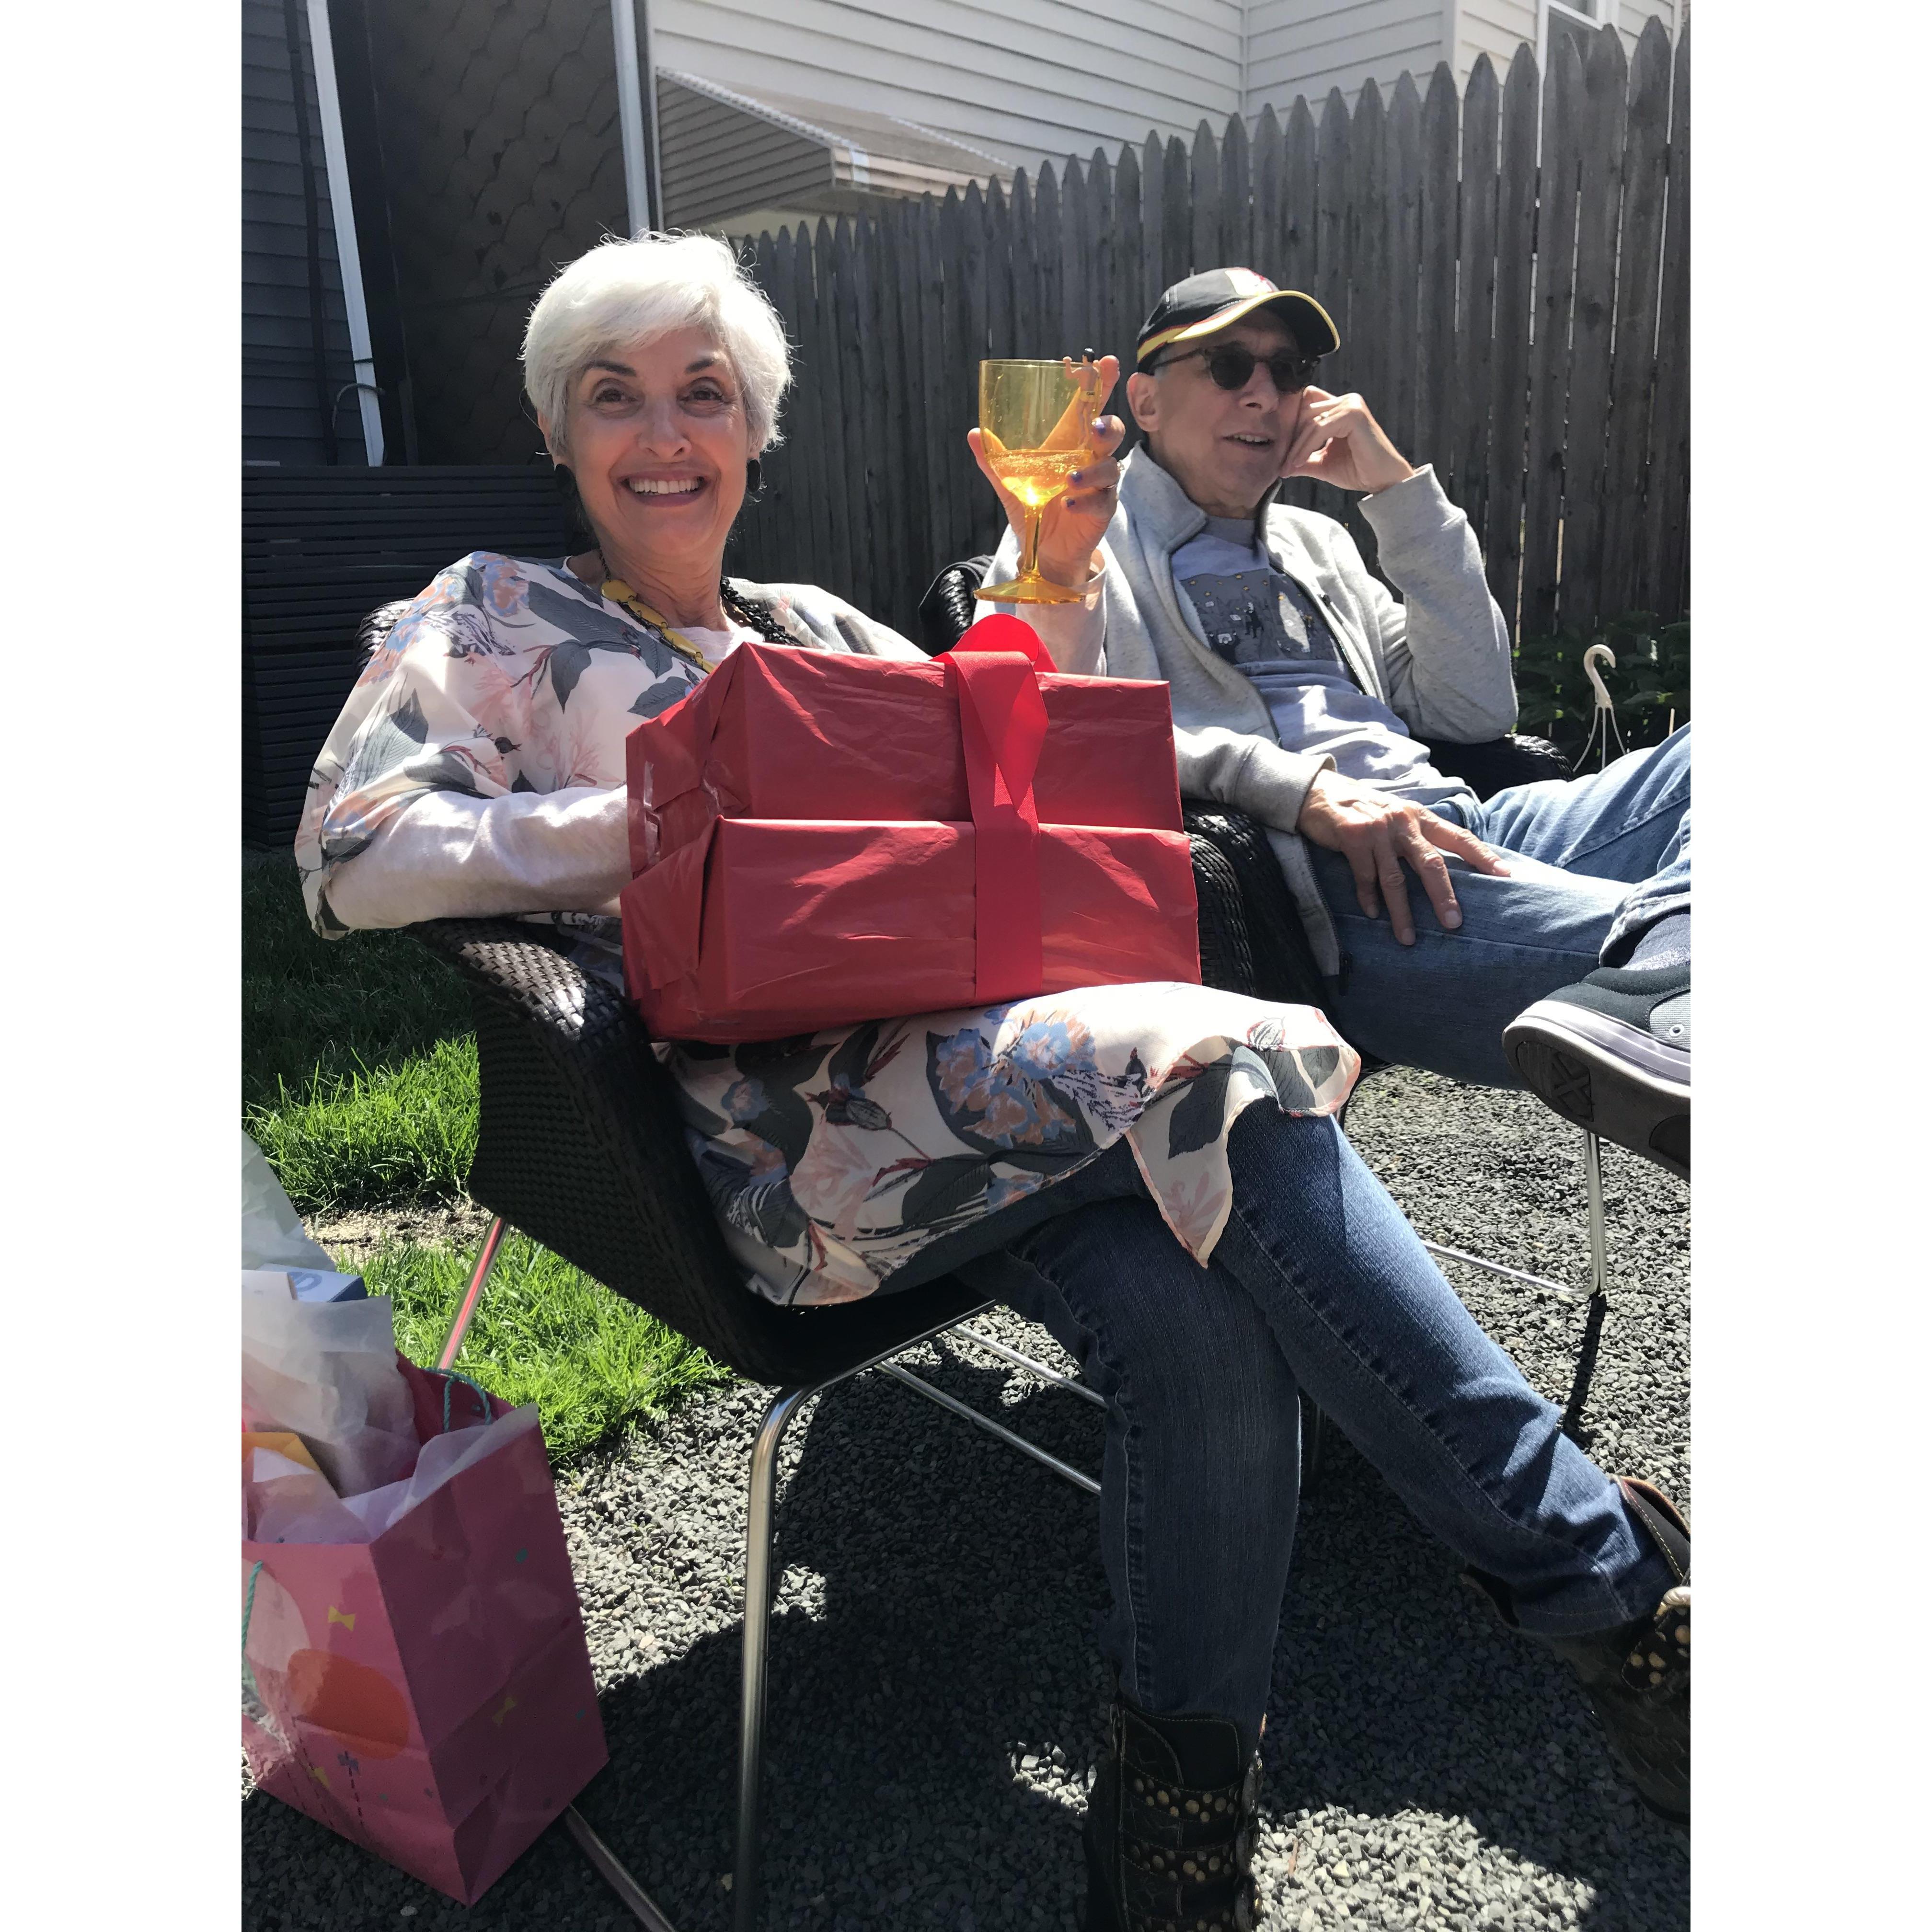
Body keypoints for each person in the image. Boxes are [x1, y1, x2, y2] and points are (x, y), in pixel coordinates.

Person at [297, 233, 1690, 1932]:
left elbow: (1024, 736)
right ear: (557, 429)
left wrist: (1122, 626)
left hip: (982, 1088)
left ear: (757, 433)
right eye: (616, 397)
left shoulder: (810, 629)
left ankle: (1173, 1829)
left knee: (1199, 1321)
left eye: (704, 394)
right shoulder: (495, 617)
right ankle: (1612, 1598)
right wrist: (644, 820)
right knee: (1218, 1055)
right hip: (775, 1149)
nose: (664, 433)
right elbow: (350, 860)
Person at [972, 269, 1691, 1181]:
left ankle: (1669, 954)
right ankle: (1672, 967)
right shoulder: (1074, 532)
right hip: (1337, 889)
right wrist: (1296, 787)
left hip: (1462, 822)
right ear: (1144, 400)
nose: (1265, 395)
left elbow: (1473, 707)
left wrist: (1398, 494)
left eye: (1288, 368)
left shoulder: (1320, 544)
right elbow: (1051, 733)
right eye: (1230, 364)